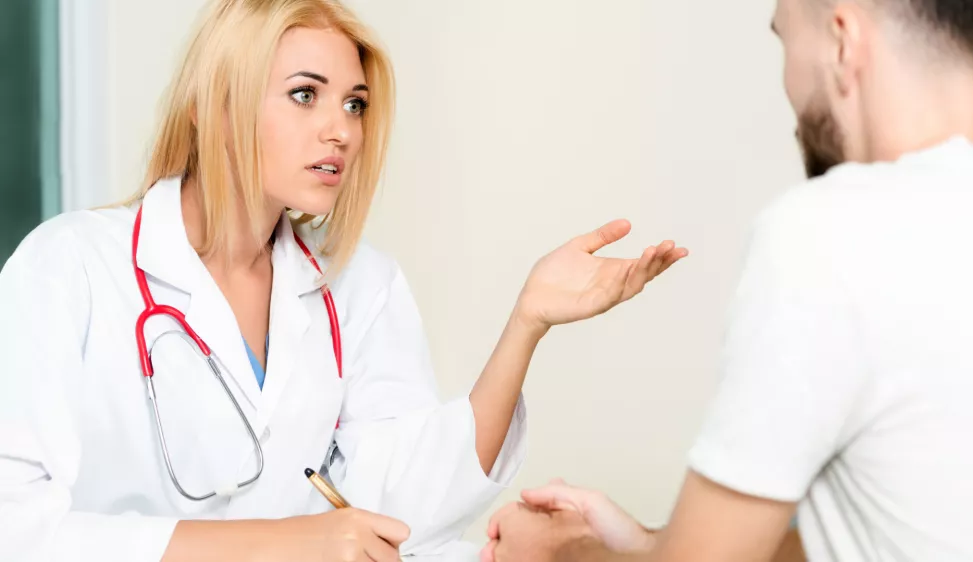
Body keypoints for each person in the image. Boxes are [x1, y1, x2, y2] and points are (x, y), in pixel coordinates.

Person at [0, 1, 688, 561]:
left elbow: (404, 507)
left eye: (354, 105)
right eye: (306, 96)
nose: (342, 132)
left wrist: (526, 324)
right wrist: (284, 545)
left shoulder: (358, 286)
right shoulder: (71, 268)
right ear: (214, 106)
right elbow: (16, 527)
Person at [482, 0, 973, 561]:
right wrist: (651, 545)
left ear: (844, 42)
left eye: (786, 42)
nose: (790, 94)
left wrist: (559, 554)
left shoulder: (834, 230)